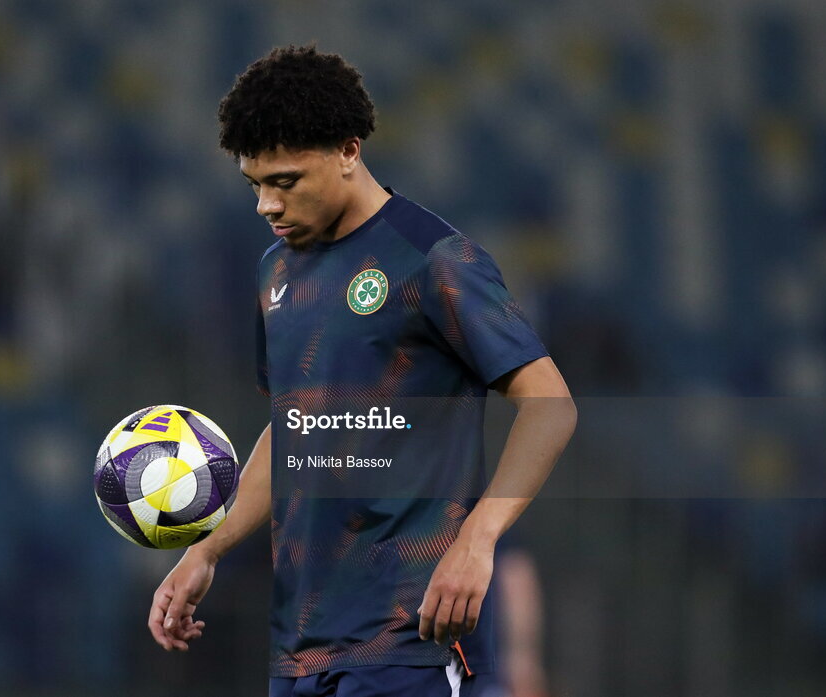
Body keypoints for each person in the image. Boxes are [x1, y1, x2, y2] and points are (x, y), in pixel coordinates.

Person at [148, 45, 576, 697]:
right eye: (254, 184)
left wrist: (478, 538)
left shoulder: (433, 259)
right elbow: (289, 430)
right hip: (301, 646)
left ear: (349, 151)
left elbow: (550, 403)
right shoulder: (276, 272)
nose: (266, 204)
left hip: (412, 638)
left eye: (285, 181)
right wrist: (207, 548)